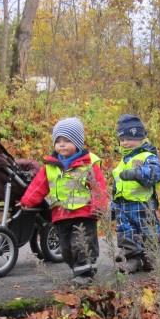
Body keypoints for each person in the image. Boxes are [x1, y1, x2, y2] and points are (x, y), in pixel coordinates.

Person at [19, 117, 108, 285]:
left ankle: (85, 273)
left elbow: (99, 187)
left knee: (82, 243)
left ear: (77, 143)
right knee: (66, 249)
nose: (61, 144)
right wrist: (26, 201)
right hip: (60, 215)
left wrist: (100, 205)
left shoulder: (88, 165)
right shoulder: (50, 167)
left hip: (84, 213)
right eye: (58, 141)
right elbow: (38, 186)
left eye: (67, 141)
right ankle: (78, 270)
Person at [111, 114, 160, 273]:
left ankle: (151, 257)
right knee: (126, 233)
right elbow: (116, 187)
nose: (126, 142)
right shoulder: (122, 161)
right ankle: (132, 259)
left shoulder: (148, 156)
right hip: (124, 207)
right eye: (122, 139)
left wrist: (138, 173)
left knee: (149, 232)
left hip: (143, 206)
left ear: (141, 138)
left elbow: (157, 173)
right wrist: (112, 205)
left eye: (130, 138)